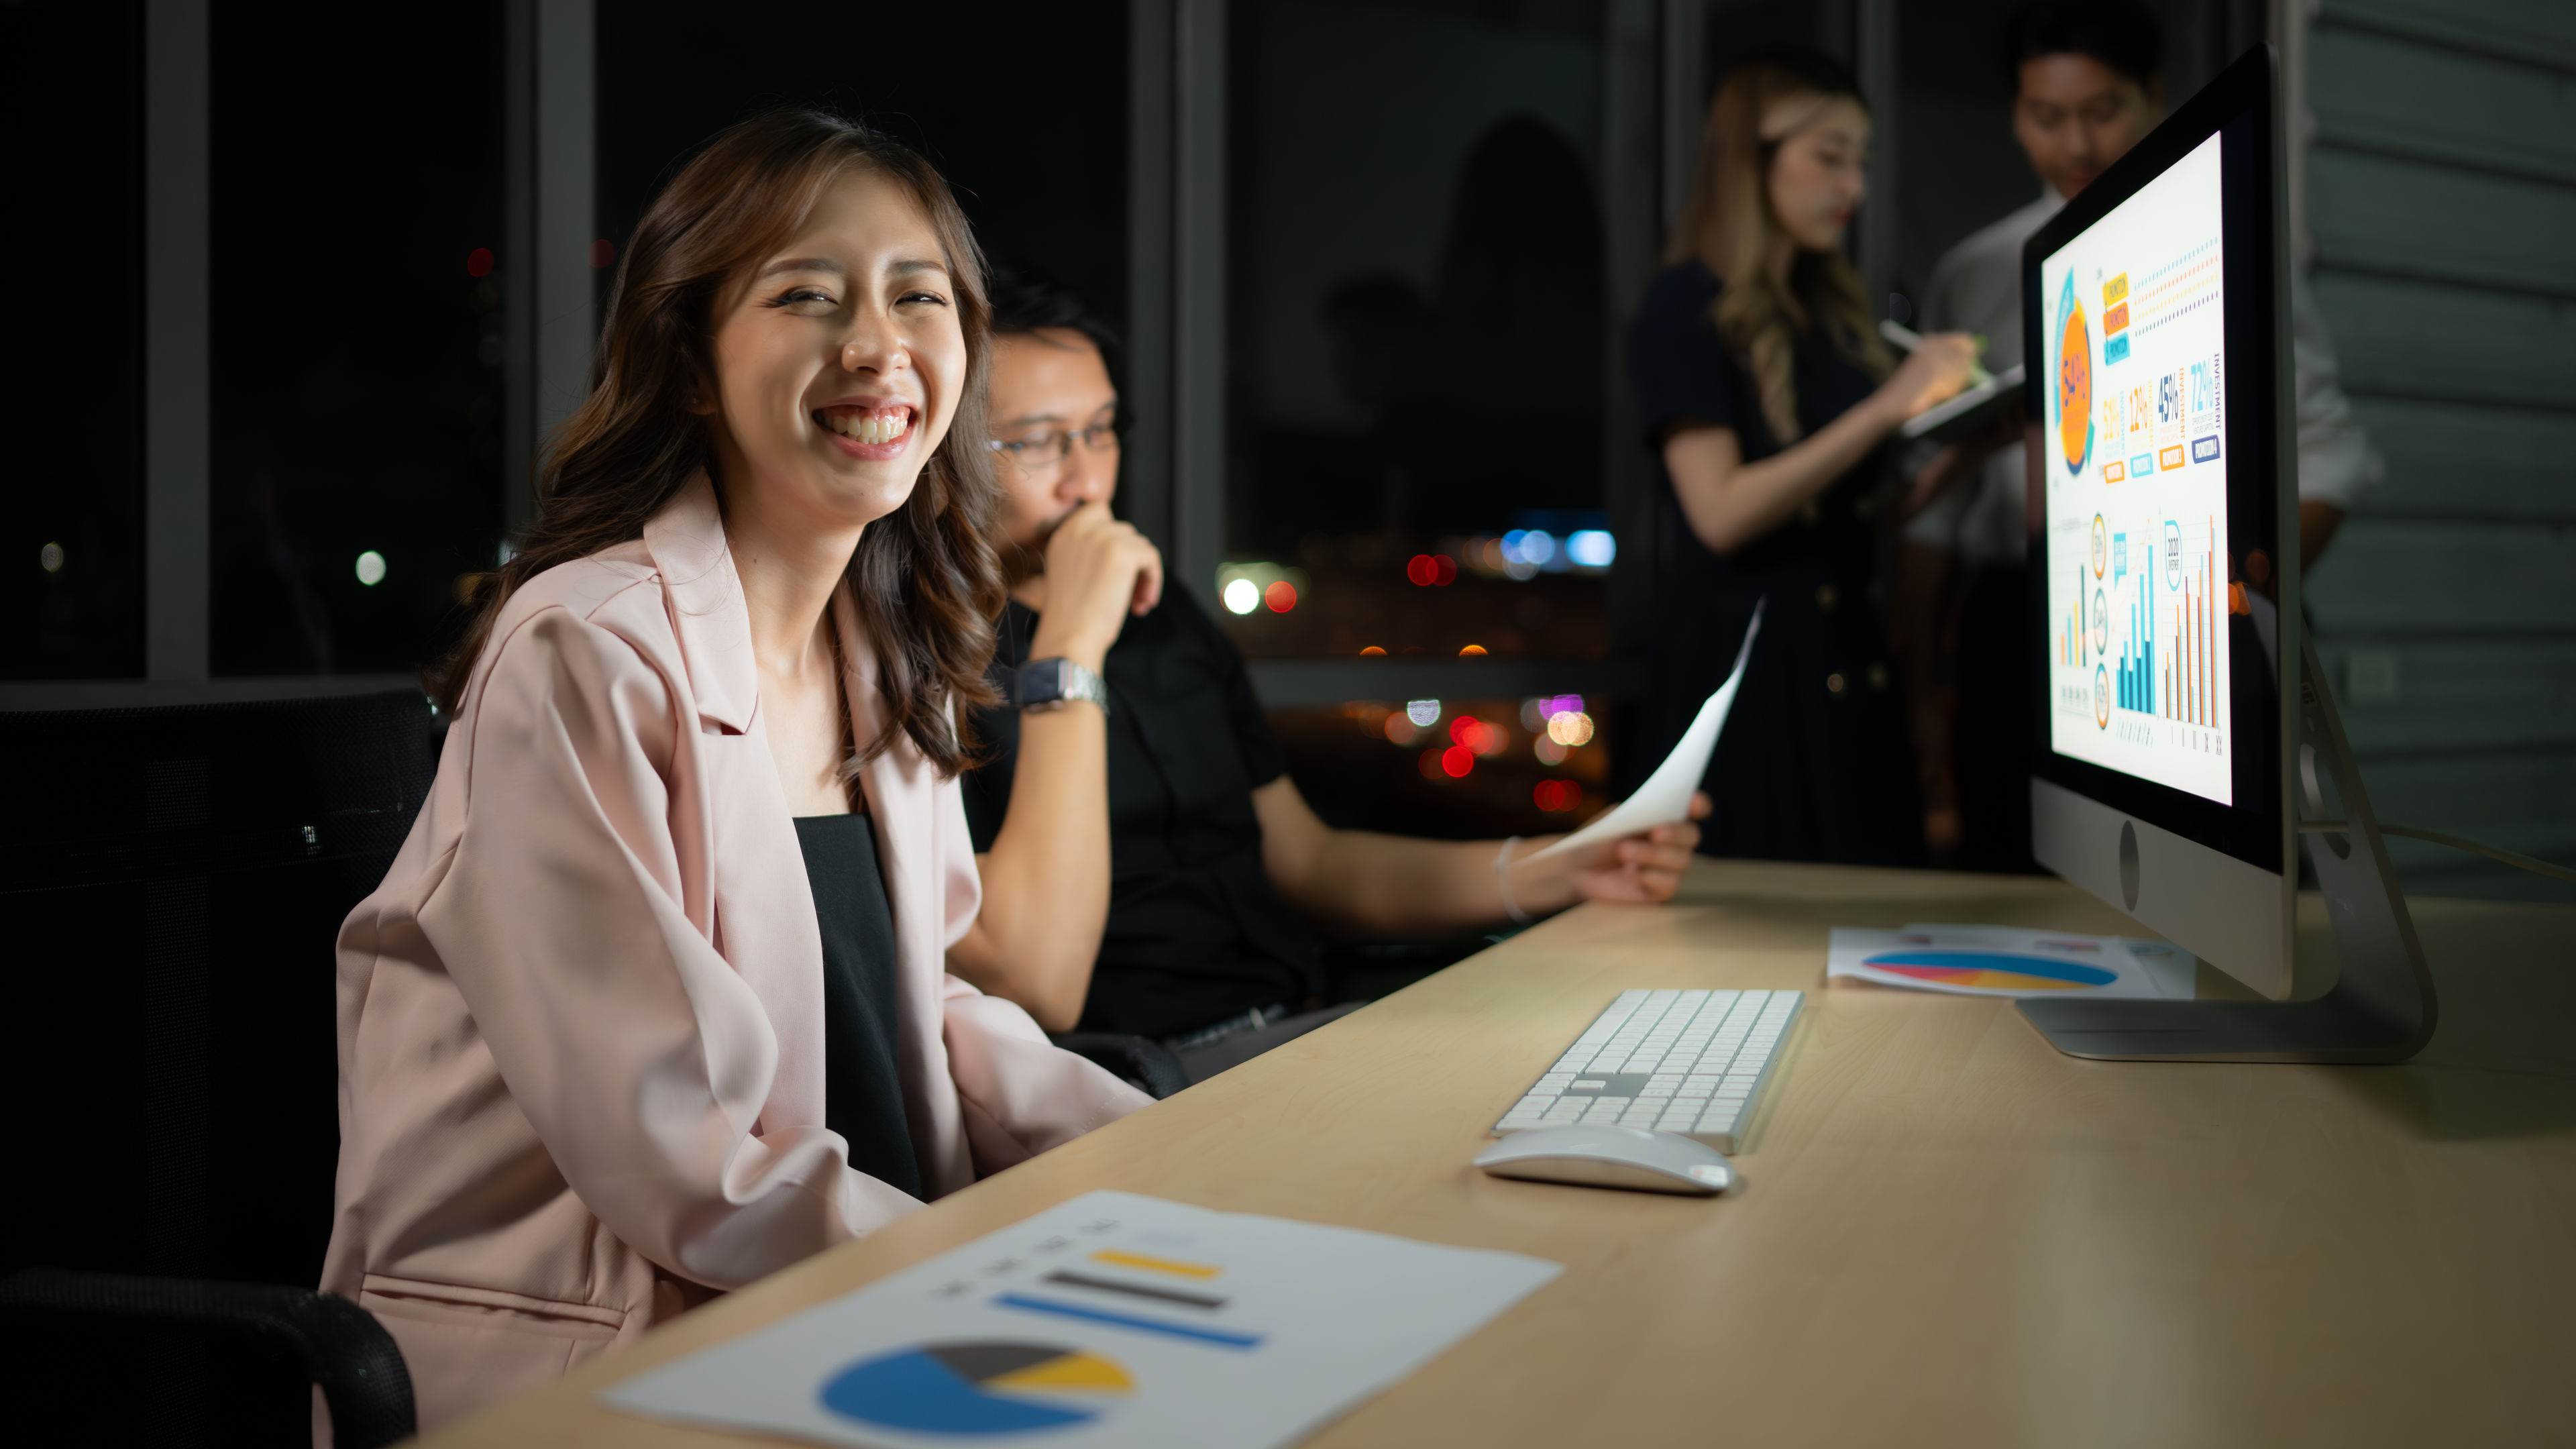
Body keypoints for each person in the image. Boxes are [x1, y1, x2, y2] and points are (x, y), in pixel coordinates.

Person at [320, 113, 1149, 1430]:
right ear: (693, 365)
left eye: (916, 297)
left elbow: (930, 1015)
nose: (875, 344)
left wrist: (1164, 1161)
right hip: (606, 1361)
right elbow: (681, 1157)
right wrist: (998, 1272)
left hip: (844, 1301)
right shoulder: (586, 652)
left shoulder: (886, 652)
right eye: (809, 296)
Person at [945, 272, 1707, 1082]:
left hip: (1301, 1021)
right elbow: (1033, 984)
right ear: (950, 454)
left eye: (1100, 431)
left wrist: (1563, 865)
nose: (1087, 479)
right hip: (1134, 1076)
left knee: (1638, 1043)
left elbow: (1312, 865)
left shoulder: (1161, 612)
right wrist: (1073, 646)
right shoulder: (929, 664)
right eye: (1034, 441)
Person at [1893, 0, 2383, 870]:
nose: (2075, 145)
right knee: (2022, 881)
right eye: (2048, 117)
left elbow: (2331, 452)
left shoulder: (2224, 230)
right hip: (2023, 624)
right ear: (2015, 111)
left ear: (2153, 94)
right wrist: (1923, 688)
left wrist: (2229, 600)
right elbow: (1936, 505)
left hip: (2194, 607)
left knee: (2230, 885)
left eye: (2103, 110)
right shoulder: (1973, 274)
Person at [1626, 50, 1979, 866]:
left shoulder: (1828, 320)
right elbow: (1720, 512)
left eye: (1858, 161)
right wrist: (1892, 404)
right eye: (1828, 157)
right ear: (1752, 156)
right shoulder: (1685, 305)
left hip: (1850, 669)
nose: (1850, 188)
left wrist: (1961, 455)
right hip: (1749, 687)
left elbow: (1844, 523)